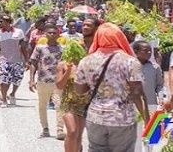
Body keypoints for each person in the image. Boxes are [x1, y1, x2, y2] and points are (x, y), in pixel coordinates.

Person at [75, 22, 149, 152]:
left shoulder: (86, 61)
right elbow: (137, 94)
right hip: (122, 119)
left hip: (95, 118)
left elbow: (80, 90)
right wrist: (147, 120)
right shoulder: (130, 61)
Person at [29, 23, 64, 139]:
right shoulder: (39, 48)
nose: (52, 35)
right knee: (42, 105)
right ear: (45, 34)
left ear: (58, 34)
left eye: (54, 33)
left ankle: (59, 130)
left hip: (58, 82)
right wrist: (31, 80)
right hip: (43, 81)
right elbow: (33, 63)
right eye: (50, 33)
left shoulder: (62, 49)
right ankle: (45, 129)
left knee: (60, 106)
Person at [55, 41, 89, 152]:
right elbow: (59, 85)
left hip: (83, 103)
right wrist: (68, 71)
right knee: (72, 131)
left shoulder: (88, 64)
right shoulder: (63, 65)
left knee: (79, 134)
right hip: (68, 103)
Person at [132, 40, 164, 152]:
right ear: (136, 51)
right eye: (145, 51)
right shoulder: (130, 67)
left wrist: (161, 97)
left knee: (150, 133)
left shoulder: (155, 68)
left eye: (150, 51)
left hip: (151, 105)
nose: (149, 53)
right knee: (136, 133)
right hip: (135, 106)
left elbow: (159, 85)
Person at [0, 14, 28, 107]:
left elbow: (23, 46)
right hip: (4, 60)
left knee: (17, 80)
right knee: (4, 80)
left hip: (17, 60)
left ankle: (12, 94)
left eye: (2, 21)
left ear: (8, 22)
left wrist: (26, 60)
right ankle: (4, 99)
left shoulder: (19, 32)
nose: (0, 23)